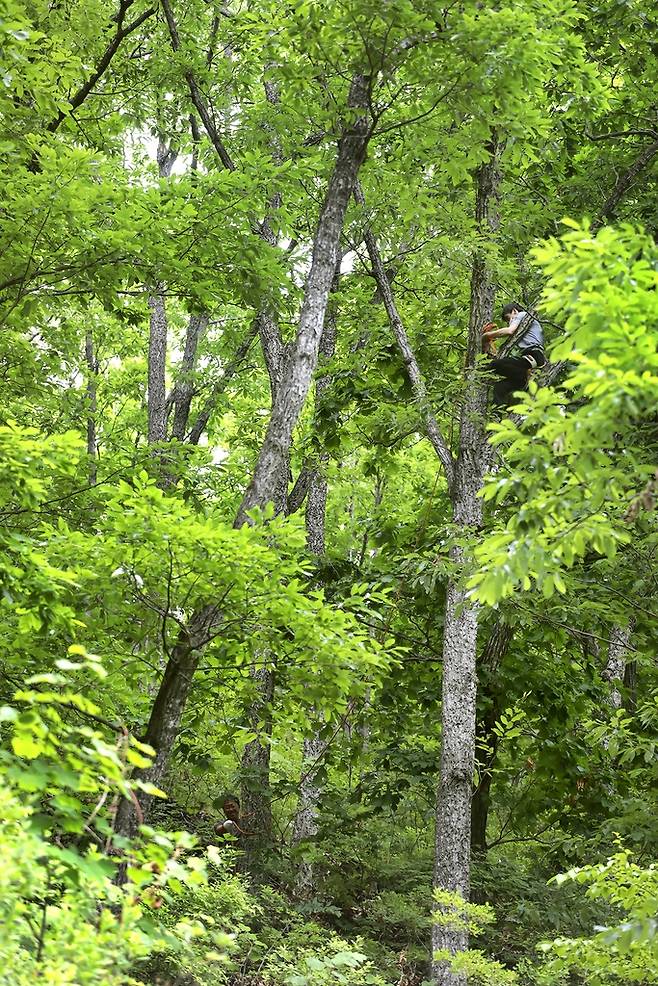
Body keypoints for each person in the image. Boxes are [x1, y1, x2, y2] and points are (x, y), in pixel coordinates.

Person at [482, 302, 546, 407]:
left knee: (494, 365)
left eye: (509, 319)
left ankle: (524, 377)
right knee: (499, 388)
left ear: (514, 311)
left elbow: (509, 331)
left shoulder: (522, 315)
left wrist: (487, 335)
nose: (509, 322)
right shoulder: (524, 326)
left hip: (533, 355)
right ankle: (498, 415)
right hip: (527, 362)